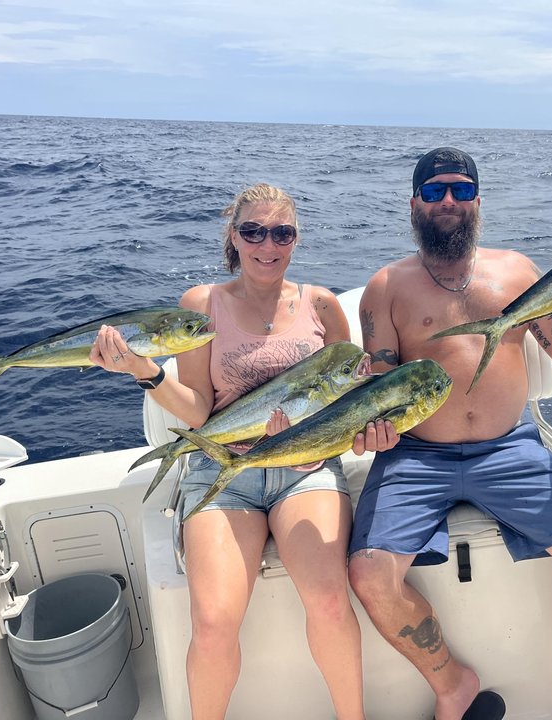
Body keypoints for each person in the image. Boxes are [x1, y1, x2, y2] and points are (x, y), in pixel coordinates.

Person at [348, 148, 552, 720]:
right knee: (369, 574)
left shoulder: (517, 272)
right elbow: (382, 388)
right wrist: (373, 430)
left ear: (478, 201)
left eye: (462, 190)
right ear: (414, 203)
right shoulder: (386, 286)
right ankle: (453, 685)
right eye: (435, 191)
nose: (449, 201)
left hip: (509, 449)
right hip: (415, 455)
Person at [89, 183, 398, 720]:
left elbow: (346, 398)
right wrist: (144, 370)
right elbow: (198, 410)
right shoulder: (201, 305)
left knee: (329, 601)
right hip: (222, 468)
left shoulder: (321, 305)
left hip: (305, 468)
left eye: (282, 233)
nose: (267, 245)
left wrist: (362, 431)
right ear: (234, 237)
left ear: (296, 239)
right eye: (253, 231)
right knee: (213, 621)